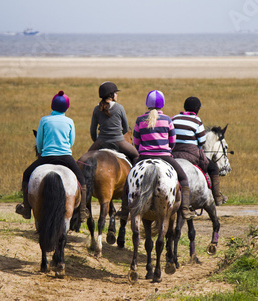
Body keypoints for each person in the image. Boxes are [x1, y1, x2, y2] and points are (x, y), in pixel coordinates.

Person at [117, 90, 196, 220]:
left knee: (128, 181)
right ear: (162, 104)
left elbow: (136, 141)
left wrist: (143, 150)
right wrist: (167, 150)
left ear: (147, 103)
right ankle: (185, 209)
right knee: (183, 179)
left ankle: (125, 211)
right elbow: (172, 141)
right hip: (165, 156)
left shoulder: (140, 120)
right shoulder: (167, 120)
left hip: (144, 157)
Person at [15, 91, 90, 222]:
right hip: (66, 157)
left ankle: (26, 209)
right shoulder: (69, 121)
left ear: (52, 105)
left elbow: (39, 141)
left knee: (26, 174)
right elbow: (71, 141)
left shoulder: (44, 120)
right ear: (67, 107)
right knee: (82, 181)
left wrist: (41, 151)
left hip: (46, 157)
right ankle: (83, 211)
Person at [172, 96, 228, 206]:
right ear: (197, 109)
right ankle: (217, 196)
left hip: (173, 153)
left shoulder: (174, 118)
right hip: (191, 154)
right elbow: (202, 141)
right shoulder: (196, 120)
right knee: (212, 167)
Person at [87, 81, 139, 162]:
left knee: (86, 158)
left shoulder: (96, 109)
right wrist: (118, 136)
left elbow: (92, 130)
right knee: (136, 155)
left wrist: (97, 141)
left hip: (101, 141)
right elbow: (125, 128)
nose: (117, 95)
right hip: (119, 141)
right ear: (111, 95)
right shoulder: (119, 107)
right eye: (115, 93)